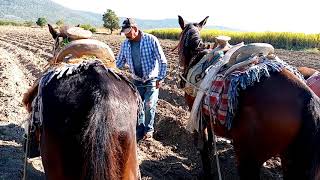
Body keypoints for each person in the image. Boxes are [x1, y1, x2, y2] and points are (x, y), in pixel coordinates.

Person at [116, 18, 167, 141]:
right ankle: (139, 130)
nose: (126, 35)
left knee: (149, 105)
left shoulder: (151, 40)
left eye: (128, 32)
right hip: (136, 80)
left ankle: (149, 130)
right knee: (138, 106)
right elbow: (119, 63)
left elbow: (162, 61)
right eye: (125, 32)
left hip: (151, 80)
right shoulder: (125, 44)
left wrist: (160, 78)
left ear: (135, 29)